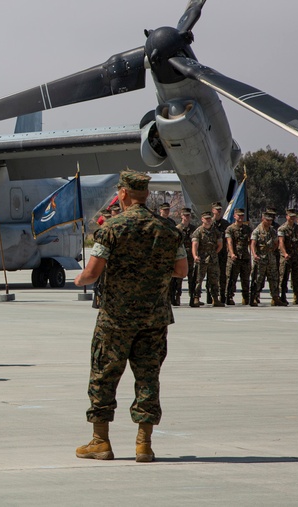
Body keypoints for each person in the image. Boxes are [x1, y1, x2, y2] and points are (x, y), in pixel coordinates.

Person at [73, 171, 186, 463]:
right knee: (148, 377)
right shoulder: (169, 229)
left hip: (116, 319)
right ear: (145, 195)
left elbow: (93, 273)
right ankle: (144, 445)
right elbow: (182, 271)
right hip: (154, 318)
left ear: (123, 193)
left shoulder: (112, 228)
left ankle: (100, 442)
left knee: (104, 375)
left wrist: (79, 279)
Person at [191, 211, 222, 307]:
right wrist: (195, 256)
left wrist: (214, 253)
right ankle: (196, 298)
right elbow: (195, 245)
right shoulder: (198, 231)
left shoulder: (215, 231)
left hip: (213, 259)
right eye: (206, 219)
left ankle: (215, 299)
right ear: (202, 219)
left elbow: (220, 244)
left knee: (214, 279)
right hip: (202, 258)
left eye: (209, 218)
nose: (208, 220)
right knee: (198, 279)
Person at [249, 210, 278, 306]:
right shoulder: (257, 231)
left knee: (273, 278)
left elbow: (276, 243)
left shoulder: (272, 230)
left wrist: (271, 251)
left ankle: (275, 298)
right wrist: (255, 254)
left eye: (270, 220)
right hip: (260, 258)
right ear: (263, 219)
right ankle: (254, 297)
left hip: (270, 258)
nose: (269, 222)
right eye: (267, 220)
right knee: (257, 279)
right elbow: (252, 244)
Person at [225, 208, 251, 305]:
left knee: (245, 279)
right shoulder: (230, 229)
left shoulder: (247, 229)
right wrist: (232, 253)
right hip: (234, 258)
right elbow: (229, 242)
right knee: (231, 278)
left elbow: (250, 242)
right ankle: (229, 297)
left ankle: (246, 297)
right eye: (238, 215)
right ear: (234, 216)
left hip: (244, 257)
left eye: (242, 215)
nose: (240, 217)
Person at [278, 210, 298, 305]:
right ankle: (283, 295)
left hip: (296, 256)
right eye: (290, 216)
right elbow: (281, 242)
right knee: (284, 276)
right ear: (286, 217)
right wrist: (284, 253)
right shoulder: (282, 229)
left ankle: (296, 296)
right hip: (286, 257)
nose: (292, 218)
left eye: (294, 216)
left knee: (296, 277)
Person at [211, 202, 232, 304]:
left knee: (223, 275)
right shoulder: (209, 223)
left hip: (223, 253)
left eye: (220, 209)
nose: (218, 211)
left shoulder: (225, 224)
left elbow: (229, 239)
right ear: (213, 210)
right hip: (211, 253)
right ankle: (211, 296)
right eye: (216, 209)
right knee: (211, 275)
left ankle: (223, 296)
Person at [175, 208, 196, 306]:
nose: (187, 217)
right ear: (181, 216)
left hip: (191, 257)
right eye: (185, 215)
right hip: (181, 257)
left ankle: (192, 297)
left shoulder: (194, 229)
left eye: (188, 215)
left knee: (192, 278)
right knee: (179, 278)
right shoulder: (177, 229)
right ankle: (177, 296)